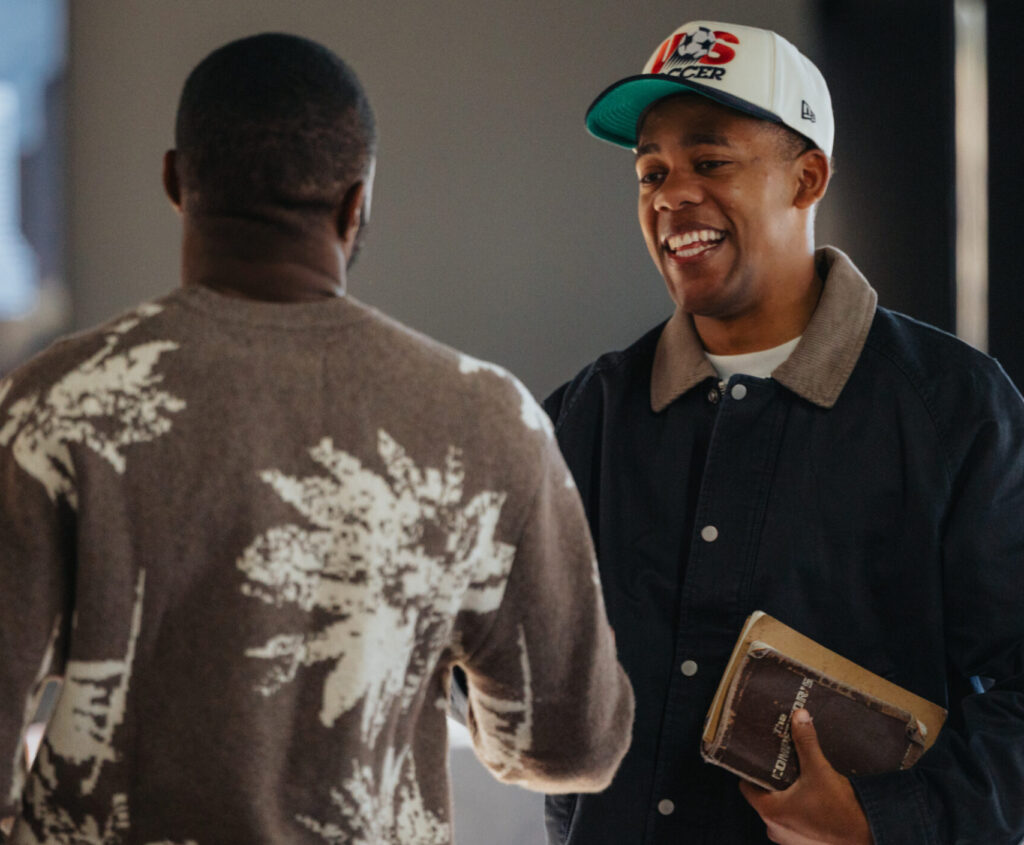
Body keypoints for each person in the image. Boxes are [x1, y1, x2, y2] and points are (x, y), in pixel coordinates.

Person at [0, 33, 633, 844]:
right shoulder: (485, 419)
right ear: (355, 202)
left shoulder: (51, 407)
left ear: (176, 182)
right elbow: (571, 743)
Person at [542, 18, 1024, 845]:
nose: (670, 195)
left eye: (709, 162)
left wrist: (880, 821)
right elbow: (505, 668)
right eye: (651, 171)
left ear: (807, 179)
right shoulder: (584, 415)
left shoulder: (956, 410)